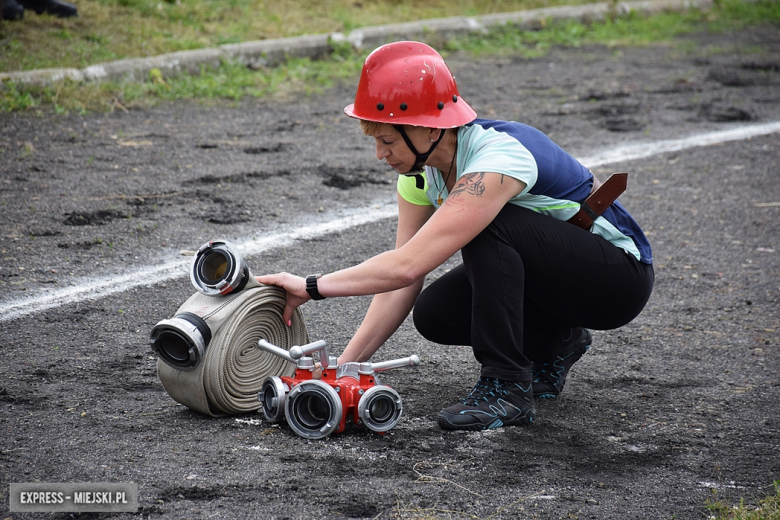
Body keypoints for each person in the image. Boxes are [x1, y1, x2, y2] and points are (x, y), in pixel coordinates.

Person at [257, 41, 654, 431]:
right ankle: (556, 341)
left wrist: (312, 286)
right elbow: (402, 275)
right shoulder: (421, 176)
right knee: (436, 314)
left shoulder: (497, 158)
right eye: (375, 141)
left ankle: (506, 386)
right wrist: (343, 367)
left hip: (618, 280)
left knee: (490, 225)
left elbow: (409, 265)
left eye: (388, 140)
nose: (380, 154)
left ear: (427, 129)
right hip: (563, 281)